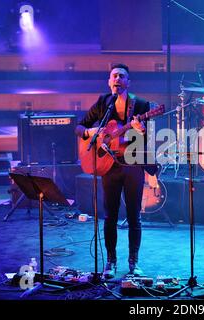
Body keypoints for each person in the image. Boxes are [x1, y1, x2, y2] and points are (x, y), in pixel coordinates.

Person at [75, 63, 150, 279]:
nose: (118, 79)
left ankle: (133, 263)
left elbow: (147, 138)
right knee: (110, 216)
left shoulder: (141, 105)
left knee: (134, 216)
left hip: (133, 165)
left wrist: (141, 130)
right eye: (114, 76)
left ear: (128, 82)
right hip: (109, 165)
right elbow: (79, 127)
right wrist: (92, 132)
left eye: (122, 76)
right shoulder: (103, 102)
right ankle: (110, 261)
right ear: (109, 82)